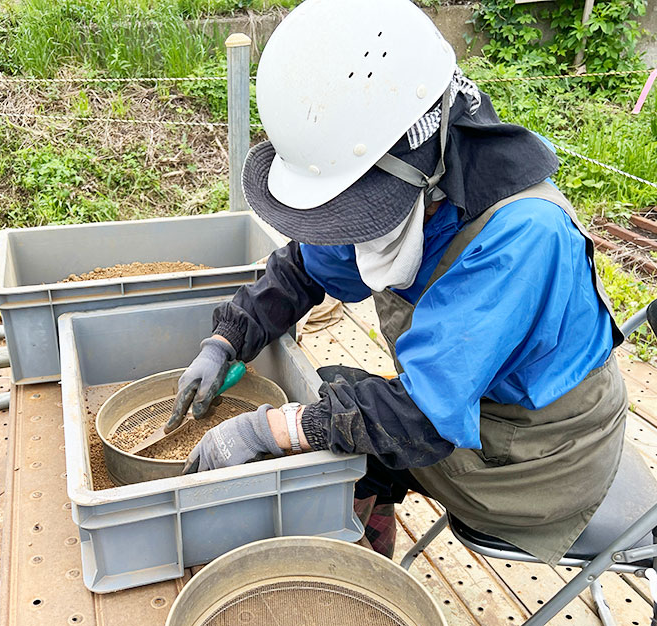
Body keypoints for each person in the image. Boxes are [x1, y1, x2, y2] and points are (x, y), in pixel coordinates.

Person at [167, 0, 627, 564]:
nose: (350, 226)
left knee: (327, 414)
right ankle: (366, 532)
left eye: (356, 208)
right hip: (470, 408)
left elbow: (424, 417)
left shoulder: (522, 236)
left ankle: (352, 563)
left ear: (409, 165)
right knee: (329, 401)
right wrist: (225, 342)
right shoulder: (412, 183)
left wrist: (267, 431)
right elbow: (304, 267)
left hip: (535, 457)